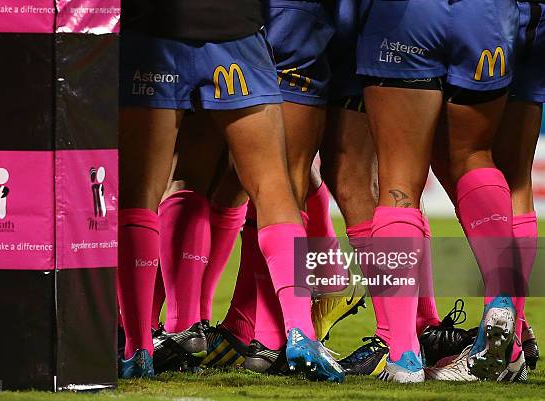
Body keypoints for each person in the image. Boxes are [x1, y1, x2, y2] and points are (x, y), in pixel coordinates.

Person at [118, 0, 343, 381]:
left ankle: (139, 345)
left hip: (154, 33)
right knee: (287, 184)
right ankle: (304, 331)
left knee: (145, 194)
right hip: (240, 31)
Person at [356, 0, 519, 382]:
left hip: (405, 19)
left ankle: (405, 356)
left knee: (398, 183)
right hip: (486, 18)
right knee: (475, 156)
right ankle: (501, 300)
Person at [428, 0, 544, 381]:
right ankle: (514, 329)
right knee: (515, 176)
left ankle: (406, 343)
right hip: (534, 16)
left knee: (463, 155)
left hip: (480, 14)